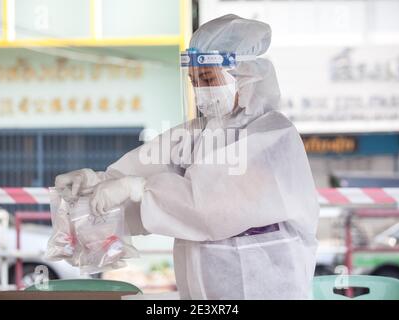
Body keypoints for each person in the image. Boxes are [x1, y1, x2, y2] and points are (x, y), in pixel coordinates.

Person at [55, 14, 319, 299]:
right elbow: (145, 168)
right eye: (194, 82)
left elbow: (210, 207)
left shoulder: (272, 136)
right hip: (203, 291)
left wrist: (139, 189)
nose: (200, 92)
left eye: (208, 79)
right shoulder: (199, 134)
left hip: (267, 287)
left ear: (244, 76)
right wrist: (95, 182)